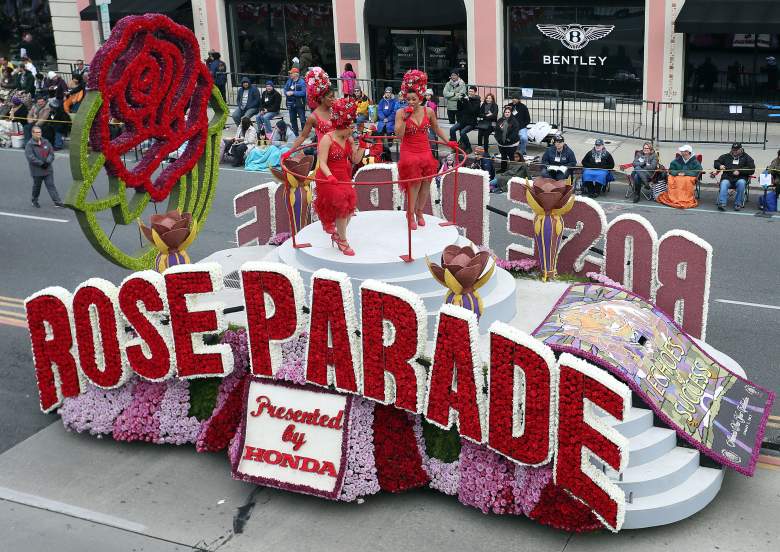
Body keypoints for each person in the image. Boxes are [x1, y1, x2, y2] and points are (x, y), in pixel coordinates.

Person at [395, 70, 453, 230]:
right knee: (414, 183)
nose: (411, 102)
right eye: (408, 100)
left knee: (426, 183)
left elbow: (437, 128)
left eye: (414, 99)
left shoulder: (428, 111)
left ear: (420, 97)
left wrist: (449, 143)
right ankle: (410, 213)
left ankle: (420, 212)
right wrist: (405, 119)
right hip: (409, 151)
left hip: (425, 150)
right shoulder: (400, 112)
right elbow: (398, 135)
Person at [314, 97, 363, 255]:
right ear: (342, 125)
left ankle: (338, 235)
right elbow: (321, 162)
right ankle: (343, 241)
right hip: (328, 178)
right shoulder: (327, 140)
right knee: (342, 207)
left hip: (344, 177)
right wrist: (330, 177)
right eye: (351, 126)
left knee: (349, 210)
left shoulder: (348, 138)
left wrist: (363, 145)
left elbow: (355, 160)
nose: (353, 130)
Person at [289, 67, 334, 152]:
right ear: (321, 98)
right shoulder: (313, 117)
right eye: (331, 97)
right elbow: (303, 136)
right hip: (324, 153)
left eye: (334, 97)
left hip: (341, 152)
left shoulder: (336, 110)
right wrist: (289, 151)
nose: (334, 99)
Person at [25, 125, 63, 208]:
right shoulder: (29, 145)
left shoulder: (46, 142)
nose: (39, 134)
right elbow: (31, 158)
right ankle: (34, 200)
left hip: (48, 169)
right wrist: (41, 163)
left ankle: (57, 201)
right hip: (37, 171)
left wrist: (47, 162)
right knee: (37, 187)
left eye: (40, 132)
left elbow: (51, 153)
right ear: (32, 133)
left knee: (51, 185)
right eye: (37, 132)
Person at [712, 142, 755, 211]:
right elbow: (716, 162)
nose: (734, 151)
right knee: (724, 183)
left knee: (741, 183)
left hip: (740, 178)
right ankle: (722, 203)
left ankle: (738, 204)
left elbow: (752, 169)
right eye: (733, 149)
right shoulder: (726, 156)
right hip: (727, 178)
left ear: (741, 149)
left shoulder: (747, 158)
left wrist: (739, 171)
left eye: (736, 150)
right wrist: (720, 165)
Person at [657, 145, 701, 209]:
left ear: (688, 152)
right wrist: (677, 173)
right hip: (677, 176)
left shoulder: (694, 161)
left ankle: (684, 198)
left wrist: (685, 173)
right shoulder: (677, 160)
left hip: (689, 177)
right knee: (672, 179)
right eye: (682, 151)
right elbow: (671, 170)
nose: (681, 152)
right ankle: (674, 198)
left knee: (685, 180)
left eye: (683, 151)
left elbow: (698, 171)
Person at [449, 85, 480, 154]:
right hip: (463, 121)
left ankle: (468, 147)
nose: (470, 93)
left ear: (475, 92)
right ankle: (455, 146)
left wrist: (468, 101)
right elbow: (459, 108)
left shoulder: (477, 101)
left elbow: (472, 110)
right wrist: (459, 101)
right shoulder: (466, 98)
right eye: (469, 91)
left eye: (472, 91)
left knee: (462, 132)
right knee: (452, 129)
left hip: (471, 122)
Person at [494, 106, 520, 171]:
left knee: (512, 157)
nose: (507, 113)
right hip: (501, 143)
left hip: (511, 143)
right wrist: (499, 139)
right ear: (504, 113)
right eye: (506, 112)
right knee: (503, 156)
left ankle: (513, 170)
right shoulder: (500, 120)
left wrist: (508, 139)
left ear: (511, 113)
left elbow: (515, 132)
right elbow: (496, 131)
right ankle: (503, 169)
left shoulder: (514, 121)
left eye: (508, 112)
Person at [284, 67, 307, 135]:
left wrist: (293, 93)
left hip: (300, 103)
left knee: (302, 120)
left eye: (291, 73)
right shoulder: (289, 81)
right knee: (292, 119)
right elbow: (285, 89)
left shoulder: (302, 82)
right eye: (290, 73)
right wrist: (286, 93)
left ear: (296, 74)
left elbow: (303, 92)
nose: (290, 74)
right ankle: (295, 133)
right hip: (291, 103)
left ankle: (304, 133)